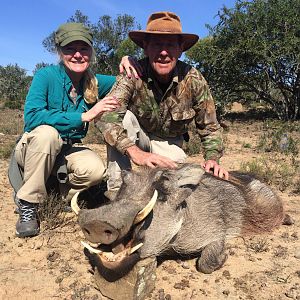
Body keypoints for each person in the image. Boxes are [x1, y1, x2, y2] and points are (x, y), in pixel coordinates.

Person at [13, 22, 139, 238]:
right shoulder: (45, 76)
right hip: (35, 147)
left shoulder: (94, 81)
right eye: (70, 49)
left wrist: (128, 59)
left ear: (91, 52)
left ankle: (58, 197)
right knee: (47, 134)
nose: (78, 55)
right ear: (60, 52)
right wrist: (84, 116)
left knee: (96, 170)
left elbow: (125, 79)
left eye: (84, 49)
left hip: (66, 150)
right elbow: (32, 117)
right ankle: (28, 206)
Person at [96, 11, 229, 197]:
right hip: (137, 137)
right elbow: (105, 118)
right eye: (157, 44)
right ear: (145, 47)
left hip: (169, 144)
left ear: (180, 49)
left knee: (175, 189)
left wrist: (212, 159)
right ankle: (117, 194)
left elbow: (210, 127)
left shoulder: (194, 79)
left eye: (170, 45)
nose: (164, 52)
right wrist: (134, 152)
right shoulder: (131, 73)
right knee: (123, 119)